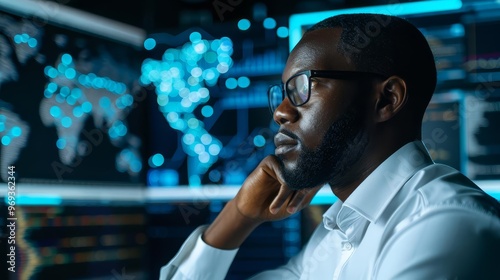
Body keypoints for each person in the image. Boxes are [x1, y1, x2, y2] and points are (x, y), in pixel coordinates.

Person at [160, 13, 500, 279]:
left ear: (386, 99)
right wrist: (239, 216)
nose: (280, 112)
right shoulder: (335, 235)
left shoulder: (445, 224)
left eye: (303, 86)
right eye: (282, 94)